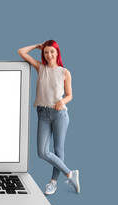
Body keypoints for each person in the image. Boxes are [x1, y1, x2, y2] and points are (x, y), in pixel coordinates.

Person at [18, 40, 80, 194]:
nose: (49, 55)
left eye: (52, 51)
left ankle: (53, 183)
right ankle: (71, 174)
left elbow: (70, 95)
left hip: (59, 114)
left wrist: (62, 102)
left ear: (57, 52)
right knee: (42, 152)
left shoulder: (64, 72)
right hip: (42, 114)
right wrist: (36, 45)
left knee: (58, 150)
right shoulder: (41, 68)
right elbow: (21, 52)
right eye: (46, 52)